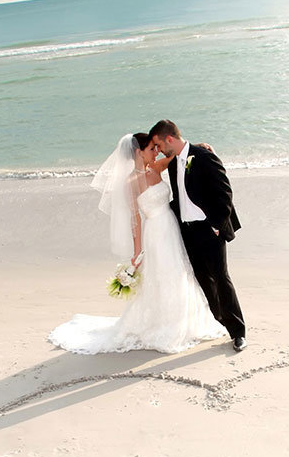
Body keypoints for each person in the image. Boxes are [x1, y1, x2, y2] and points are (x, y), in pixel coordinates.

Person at [49, 132, 226, 354]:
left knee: (180, 272)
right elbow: (135, 219)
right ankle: (163, 324)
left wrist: (200, 146)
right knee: (161, 275)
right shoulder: (131, 182)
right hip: (155, 233)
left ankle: (183, 319)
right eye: (152, 148)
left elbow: (180, 153)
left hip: (172, 228)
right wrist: (137, 252)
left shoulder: (156, 167)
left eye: (156, 147)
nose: (157, 151)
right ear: (137, 152)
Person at [149, 119, 247, 351]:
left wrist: (216, 225)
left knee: (221, 278)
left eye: (159, 145)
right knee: (203, 279)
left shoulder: (203, 156)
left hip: (209, 229)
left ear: (169, 139)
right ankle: (218, 322)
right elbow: (179, 195)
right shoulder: (173, 163)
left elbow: (225, 193)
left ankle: (238, 332)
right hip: (187, 231)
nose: (159, 150)